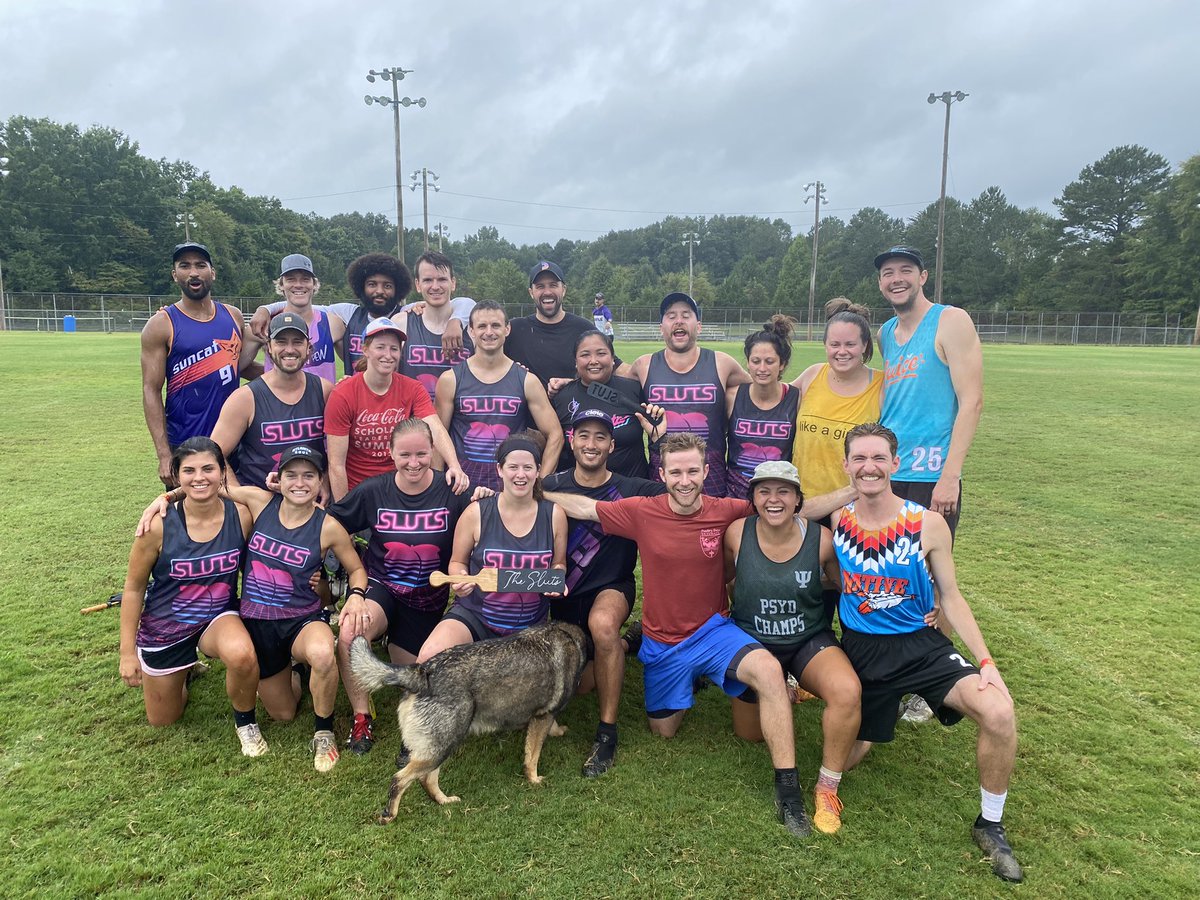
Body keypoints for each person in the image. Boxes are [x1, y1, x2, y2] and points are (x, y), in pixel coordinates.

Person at [545, 433, 853, 838]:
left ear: (707, 471)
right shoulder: (642, 510)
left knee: (768, 672)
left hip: (714, 631)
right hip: (663, 640)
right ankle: (654, 654)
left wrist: (855, 489)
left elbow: (795, 507)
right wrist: (533, 488)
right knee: (664, 730)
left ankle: (789, 790)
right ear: (662, 473)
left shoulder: (730, 510)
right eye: (676, 471)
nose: (685, 479)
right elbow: (585, 506)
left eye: (693, 470)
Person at [834, 423, 1022, 883]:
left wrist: (987, 663)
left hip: (922, 648)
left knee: (999, 713)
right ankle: (878, 718)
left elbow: (952, 596)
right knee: (849, 758)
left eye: (879, 458)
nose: (869, 467)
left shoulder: (927, 523)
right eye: (859, 458)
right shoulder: (839, 519)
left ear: (896, 464)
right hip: (862, 651)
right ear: (847, 466)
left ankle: (990, 824)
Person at [327, 418, 485, 755]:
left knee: (422, 678)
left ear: (433, 452)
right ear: (390, 453)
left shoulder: (452, 490)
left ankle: (413, 724)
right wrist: (351, 564)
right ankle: (361, 717)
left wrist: (484, 496)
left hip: (427, 601)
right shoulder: (374, 490)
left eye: (421, 454)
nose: (413, 463)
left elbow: (492, 518)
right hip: (382, 588)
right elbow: (329, 522)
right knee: (350, 632)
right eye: (405, 455)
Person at [723, 460, 862, 835]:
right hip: (753, 643)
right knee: (750, 733)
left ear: (799, 499)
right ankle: (784, 689)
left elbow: (845, 586)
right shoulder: (737, 533)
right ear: (752, 498)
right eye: (764, 491)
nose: (773, 499)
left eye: (783, 491)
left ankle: (826, 787)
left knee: (848, 691)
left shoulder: (822, 540)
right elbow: (723, 580)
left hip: (807, 638)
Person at [118, 437, 263, 756]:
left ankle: (246, 723)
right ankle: (183, 669)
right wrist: (127, 653)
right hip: (165, 624)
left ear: (222, 472)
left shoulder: (241, 516)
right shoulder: (157, 525)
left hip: (217, 616)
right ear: (177, 475)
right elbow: (133, 588)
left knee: (241, 654)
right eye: (190, 470)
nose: (200, 477)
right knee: (163, 720)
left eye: (209, 468)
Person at [543, 408, 666, 777]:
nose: (591, 444)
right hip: (563, 593)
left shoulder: (631, 487)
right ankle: (628, 645)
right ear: (571, 440)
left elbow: (675, 493)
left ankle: (607, 731)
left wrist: (657, 443)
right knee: (579, 686)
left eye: (600, 437)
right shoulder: (551, 482)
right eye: (584, 436)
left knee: (602, 625)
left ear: (612, 445)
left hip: (611, 587)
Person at [417, 431, 568, 660]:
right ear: (499, 469)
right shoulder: (476, 512)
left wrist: (556, 578)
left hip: (529, 628)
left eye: (528, 468)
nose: (520, 475)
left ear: (538, 471)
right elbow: (457, 562)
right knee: (429, 656)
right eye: (513, 467)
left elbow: (559, 564)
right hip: (476, 617)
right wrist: (460, 578)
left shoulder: (554, 515)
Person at [875, 246, 983, 539]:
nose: (897, 279)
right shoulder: (885, 333)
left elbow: (971, 402)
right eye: (888, 273)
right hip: (890, 471)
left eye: (905, 271)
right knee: (888, 569)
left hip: (931, 475)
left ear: (922, 277)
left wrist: (950, 476)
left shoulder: (950, 321)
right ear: (880, 283)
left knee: (929, 574)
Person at [246, 252, 473, 375]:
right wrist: (265, 308)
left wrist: (455, 320)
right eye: (372, 284)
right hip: (354, 403)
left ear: (398, 289)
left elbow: (464, 303)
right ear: (361, 287)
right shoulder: (347, 314)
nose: (379, 291)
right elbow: (303, 304)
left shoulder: (404, 315)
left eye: (387, 285)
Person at [324, 317, 465, 501]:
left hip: (400, 488)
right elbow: (336, 464)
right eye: (380, 347)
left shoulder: (412, 388)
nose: (388, 355)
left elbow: (435, 428)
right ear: (365, 349)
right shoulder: (343, 394)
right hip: (359, 491)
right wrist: (344, 514)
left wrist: (454, 465)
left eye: (394, 348)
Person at [140, 243, 244, 488]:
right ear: (175, 275)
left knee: (237, 516)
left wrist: (292, 377)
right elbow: (150, 390)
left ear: (212, 272)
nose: (193, 272)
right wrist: (164, 454)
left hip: (233, 441)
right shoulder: (161, 324)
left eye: (200, 265)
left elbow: (242, 364)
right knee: (189, 521)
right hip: (185, 444)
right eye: (184, 266)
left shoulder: (233, 316)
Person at [629, 292, 749, 497]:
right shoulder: (644, 365)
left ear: (698, 326)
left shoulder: (722, 363)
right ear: (661, 328)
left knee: (712, 529)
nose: (678, 321)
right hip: (663, 473)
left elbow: (764, 390)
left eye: (686, 315)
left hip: (711, 474)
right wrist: (573, 383)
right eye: (671, 315)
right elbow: (607, 381)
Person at [436, 301, 562, 492]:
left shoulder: (527, 380)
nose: (489, 332)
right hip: (464, 482)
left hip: (510, 481)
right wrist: (437, 483)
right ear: (470, 331)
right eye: (481, 326)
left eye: (495, 325)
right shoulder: (450, 379)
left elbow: (556, 435)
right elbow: (438, 435)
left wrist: (539, 481)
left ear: (507, 329)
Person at [210, 312, 332, 495]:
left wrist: (326, 481)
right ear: (268, 347)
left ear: (308, 347)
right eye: (281, 341)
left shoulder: (324, 390)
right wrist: (242, 498)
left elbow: (342, 450)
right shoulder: (245, 398)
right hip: (262, 504)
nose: (290, 349)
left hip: (309, 501)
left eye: (297, 342)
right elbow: (213, 455)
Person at [791, 298, 883, 500]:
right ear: (825, 345)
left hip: (853, 505)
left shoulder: (881, 386)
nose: (842, 352)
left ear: (864, 345)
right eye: (835, 344)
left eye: (850, 344)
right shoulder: (812, 375)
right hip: (803, 505)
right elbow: (772, 399)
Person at [505, 261, 623, 388]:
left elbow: (616, 368)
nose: (547, 292)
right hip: (526, 408)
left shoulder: (584, 330)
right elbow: (484, 366)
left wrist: (643, 367)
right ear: (531, 292)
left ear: (563, 290)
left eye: (553, 285)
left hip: (573, 407)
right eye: (540, 286)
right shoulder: (514, 330)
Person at [550, 330, 649, 477]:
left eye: (601, 353)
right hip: (580, 494)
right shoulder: (561, 398)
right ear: (576, 362)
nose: (593, 360)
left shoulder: (635, 390)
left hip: (632, 491)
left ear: (613, 359)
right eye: (585, 355)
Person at [725, 316, 800, 499]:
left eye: (770, 361)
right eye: (756, 361)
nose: (762, 368)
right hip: (736, 493)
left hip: (777, 494)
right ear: (748, 363)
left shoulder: (796, 399)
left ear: (782, 364)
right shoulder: (732, 397)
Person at [238, 254, 343, 383]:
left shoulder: (333, 324)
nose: (298, 285)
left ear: (314, 284)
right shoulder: (263, 325)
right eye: (291, 279)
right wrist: (273, 374)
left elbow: (356, 366)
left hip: (323, 402)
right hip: (277, 403)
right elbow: (236, 367)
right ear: (281, 285)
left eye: (305, 279)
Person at [399, 251, 475, 400]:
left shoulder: (473, 329)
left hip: (460, 421)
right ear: (418, 284)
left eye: (442, 279)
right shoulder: (402, 323)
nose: (435, 286)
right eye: (427, 280)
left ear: (453, 283)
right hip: (415, 420)